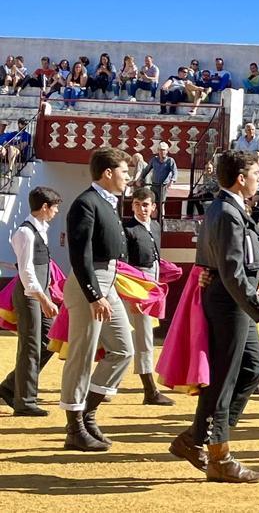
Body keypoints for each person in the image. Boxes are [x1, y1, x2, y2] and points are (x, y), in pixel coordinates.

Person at [170, 151, 259, 482]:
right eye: (256, 172)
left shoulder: (229, 209)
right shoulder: (227, 212)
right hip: (231, 304)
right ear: (241, 178)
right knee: (223, 381)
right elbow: (232, 273)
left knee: (252, 371)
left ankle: (196, 438)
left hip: (237, 302)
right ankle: (218, 457)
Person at [58, 149, 135, 452]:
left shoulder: (104, 202)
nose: (128, 177)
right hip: (90, 283)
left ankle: (87, 413)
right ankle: (74, 426)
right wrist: (94, 295)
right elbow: (80, 254)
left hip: (108, 280)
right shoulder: (85, 203)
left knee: (123, 349)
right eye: (124, 172)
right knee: (82, 353)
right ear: (108, 173)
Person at [0, 187, 62, 416]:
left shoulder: (38, 229)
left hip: (37, 294)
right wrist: (44, 298)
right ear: (44, 207)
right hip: (30, 295)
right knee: (31, 346)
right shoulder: (25, 233)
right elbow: (26, 272)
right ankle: (24, 401)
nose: (56, 212)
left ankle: (10, 387)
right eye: (54, 207)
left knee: (49, 341)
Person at [123, 187, 173, 406]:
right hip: (135, 285)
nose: (141, 208)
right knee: (142, 337)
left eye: (145, 204)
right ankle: (149, 390)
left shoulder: (155, 226)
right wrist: (134, 295)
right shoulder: (126, 229)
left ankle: (106, 385)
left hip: (150, 284)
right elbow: (124, 265)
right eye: (136, 204)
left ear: (154, 207)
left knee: (135, 336)